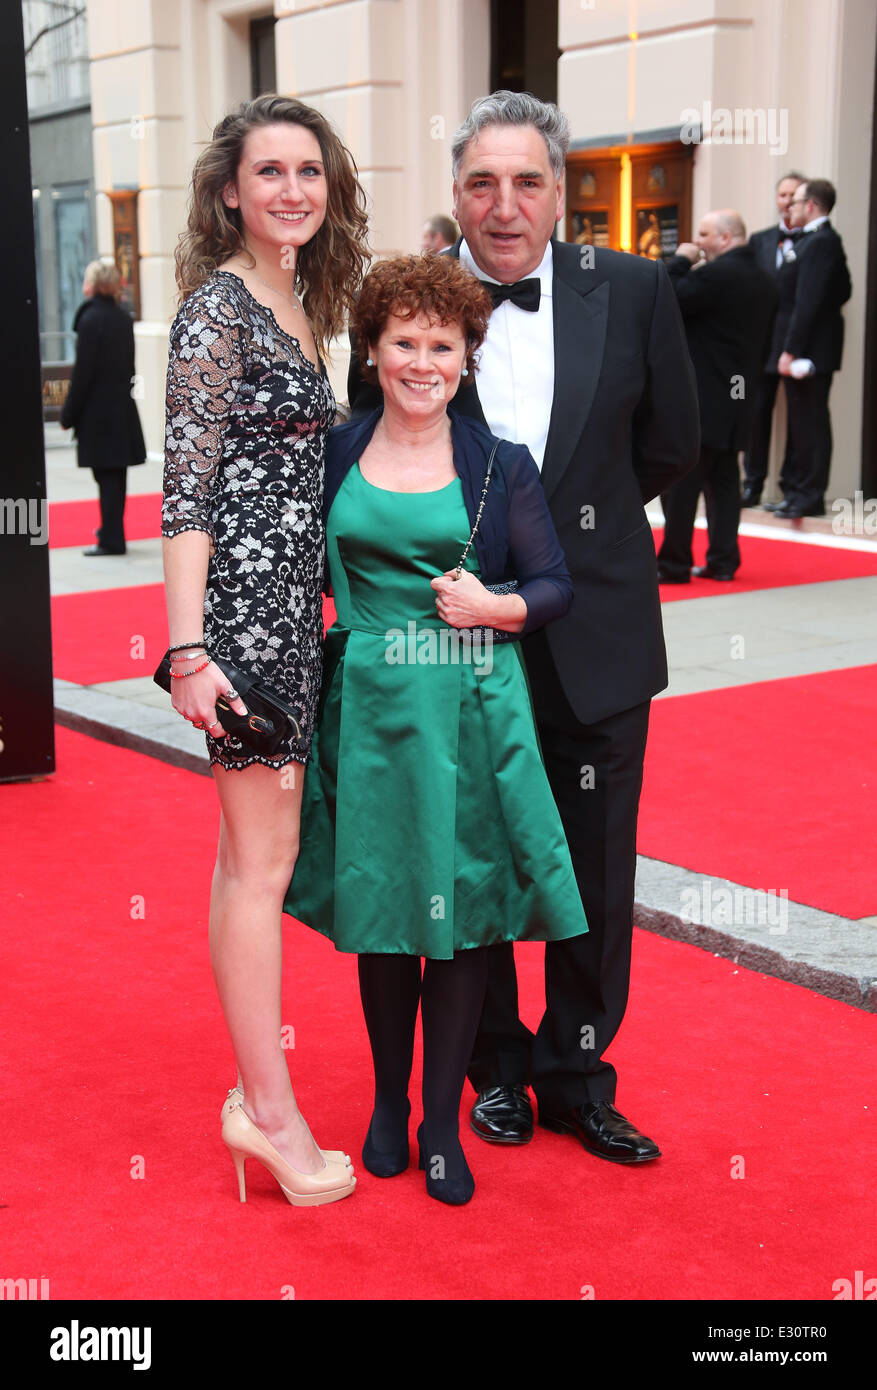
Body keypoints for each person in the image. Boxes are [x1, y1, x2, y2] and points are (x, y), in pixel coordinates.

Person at [348, 91, 700, 1165]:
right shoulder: (411, 301)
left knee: (595, 867)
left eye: (529, 181)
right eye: (481, 183)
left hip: (596, 626)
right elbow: (365, 450)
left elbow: (672, 441)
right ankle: (492, 1071)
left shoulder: (632, 289)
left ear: (559, 189)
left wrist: (570, 533)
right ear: (454, 192)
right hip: (452, 641)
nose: (505, 206)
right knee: (474, 859)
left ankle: (576, 1075)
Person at [284, 253, 589, 1205]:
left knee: (460, 924)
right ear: (372, 352)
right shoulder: (335, 451)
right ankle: (384, 1105)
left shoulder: (498, 465)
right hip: (370, 706)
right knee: (384, 918)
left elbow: (552, 588)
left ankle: (438, 1122)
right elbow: (294, 579)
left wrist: (495, 608)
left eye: (442, 345)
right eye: (404, 342)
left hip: (471, 706)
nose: (423, 361)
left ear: (466, 357)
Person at [161, 94, 369, 1208]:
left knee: (253, 863)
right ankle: (270, 1118)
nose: (291, 188)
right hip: (239, 629)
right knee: (259, 868)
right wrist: (189, 651)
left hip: (294, 619)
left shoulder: (299, 298)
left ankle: (261, 1104)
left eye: (308, 171)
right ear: (229, 190)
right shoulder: (218, 311)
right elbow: (184, 494)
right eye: (268, 172)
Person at [657, 211, 778, 582]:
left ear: (726, 238)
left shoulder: (717, 274)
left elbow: (666, 293)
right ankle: (723, 561)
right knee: (724, 482)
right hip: (740, 400)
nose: (699, 241)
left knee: (682, 483)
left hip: (705, 398)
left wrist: (681, 259)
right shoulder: (764, 278)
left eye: (705, 234)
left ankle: (674, 564)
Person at [766, 178, 852, 518]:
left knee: (810, 421)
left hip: (809, 351)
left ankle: (809, 495)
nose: (791, 207)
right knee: (802, 422)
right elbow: (841, 290)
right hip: (808, 346)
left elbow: (808, 302)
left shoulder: (820, 242)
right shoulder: (816, 242)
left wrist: (792, 350)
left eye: (797, 202)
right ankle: (798, 491)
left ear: (812, 205)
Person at [60, 258, 146, 555]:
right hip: (120, 409)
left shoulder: (90, 319)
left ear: (95, 284)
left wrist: (68, 414)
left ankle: (111, 537)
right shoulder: (122, 318)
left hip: (98, 414)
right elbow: (128, 367)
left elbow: (82, 373)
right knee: (115, 477)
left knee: (106, 477)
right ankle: (112, 531)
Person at [741, 172, 806, 507]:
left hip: (798, 342)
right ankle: (752, 484)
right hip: (762, 341)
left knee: (798, 418)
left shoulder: (817, 240)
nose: (787, 201)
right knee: (756, 414)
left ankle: (791, 487)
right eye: (782, 195)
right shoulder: (760, 240)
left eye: (793, 195)